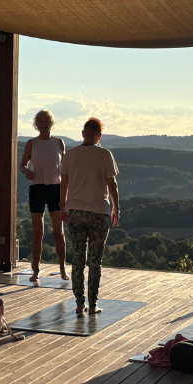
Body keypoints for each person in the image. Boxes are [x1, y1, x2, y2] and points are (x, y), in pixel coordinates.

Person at [59, 118, 119, 317]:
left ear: (83, 132)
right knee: (95, 260)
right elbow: (112, 185)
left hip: (75, 210)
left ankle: (78, 303)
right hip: (99, 211)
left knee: (78, 257)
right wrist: (116, 208)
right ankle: (93, 304)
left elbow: (64, 185)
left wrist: (63, 207)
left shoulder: (70, 155)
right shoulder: (105, 155)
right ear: (99, 136)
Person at [20, 110, 68, 281]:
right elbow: (22, 164)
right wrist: (27, 173)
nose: (43, 123)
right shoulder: (31, 143)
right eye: (40, 121)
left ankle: (63, 269)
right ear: (36, 124)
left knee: (58, 232)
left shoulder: (59, 143)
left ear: (51, 123)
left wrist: (66, 195)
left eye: (47, 120)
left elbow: (66, 169)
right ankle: (36, 270)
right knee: (37, 232)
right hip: (37, 188)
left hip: (56, 188)